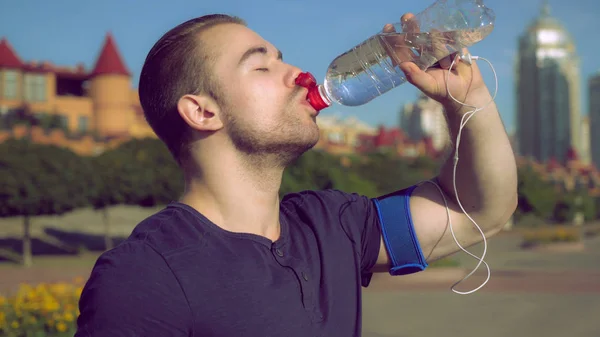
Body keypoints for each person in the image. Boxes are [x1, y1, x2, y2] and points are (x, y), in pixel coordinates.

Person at [75, 13, 517, 337]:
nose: (298, 73)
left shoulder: (332, 225)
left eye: (283, 58)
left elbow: (479, 210)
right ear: (202, 111)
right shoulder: (143, 276)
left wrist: (467, 99)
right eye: (262, 65)